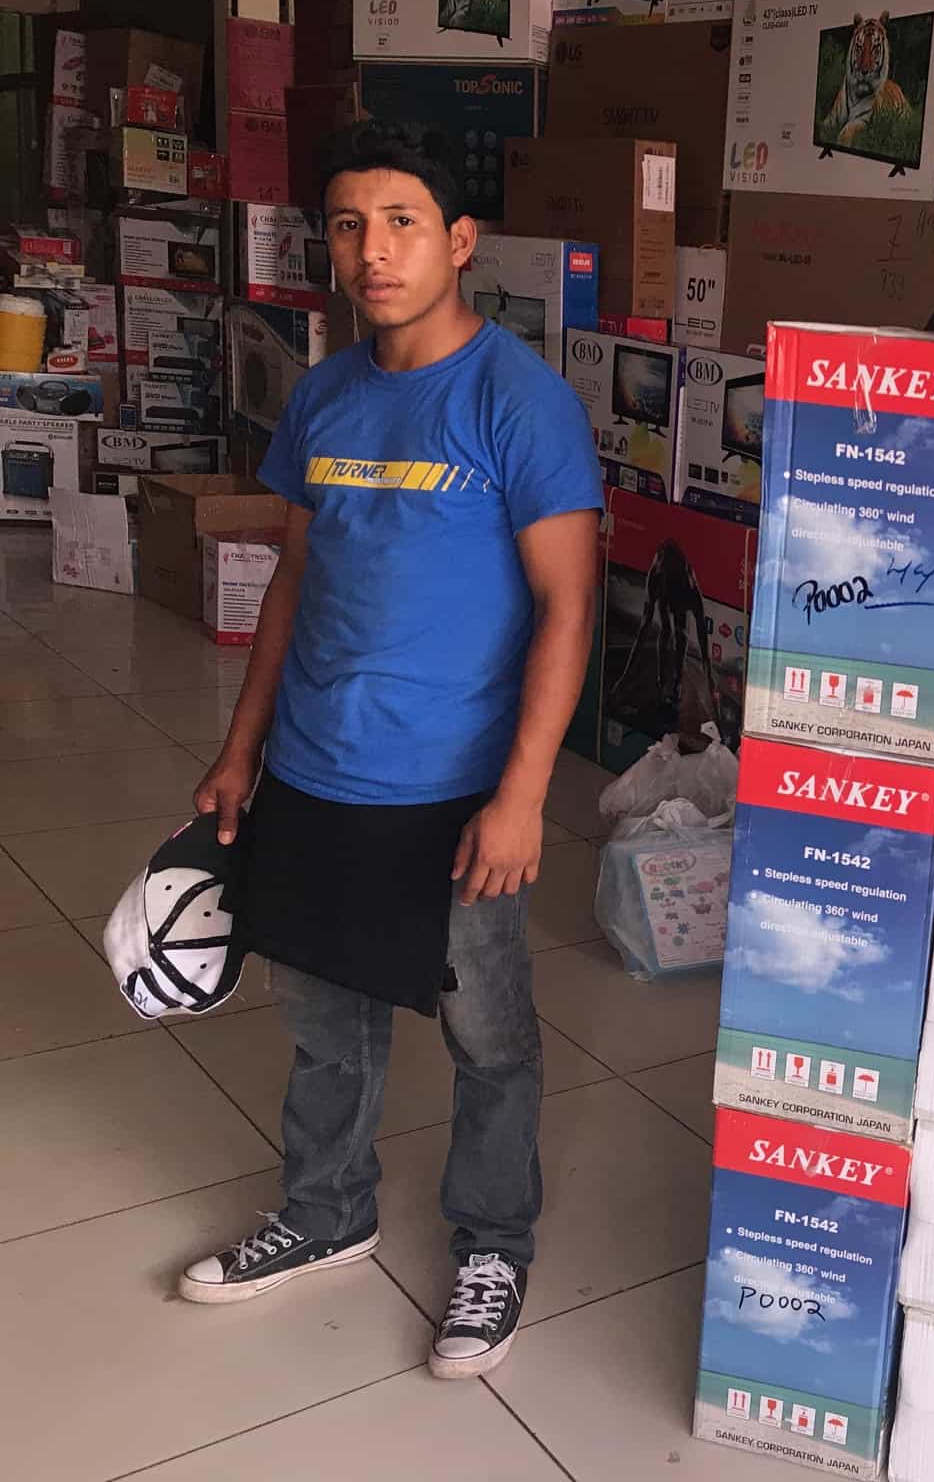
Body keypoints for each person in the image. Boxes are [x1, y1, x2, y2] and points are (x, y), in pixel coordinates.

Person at [176, 121, 602, 1382]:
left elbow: (568, 607)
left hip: (455, 787)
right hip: (315, 770)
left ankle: (493, 1242)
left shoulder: (518, 401)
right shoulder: (323, 394)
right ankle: (325, 1211)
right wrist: (241, 749)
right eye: (350, 225)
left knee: (488, 1037)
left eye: (402, 222)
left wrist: (522, 796)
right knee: (325, 1020)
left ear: (460, 241)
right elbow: (293, 582)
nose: (373, 250)